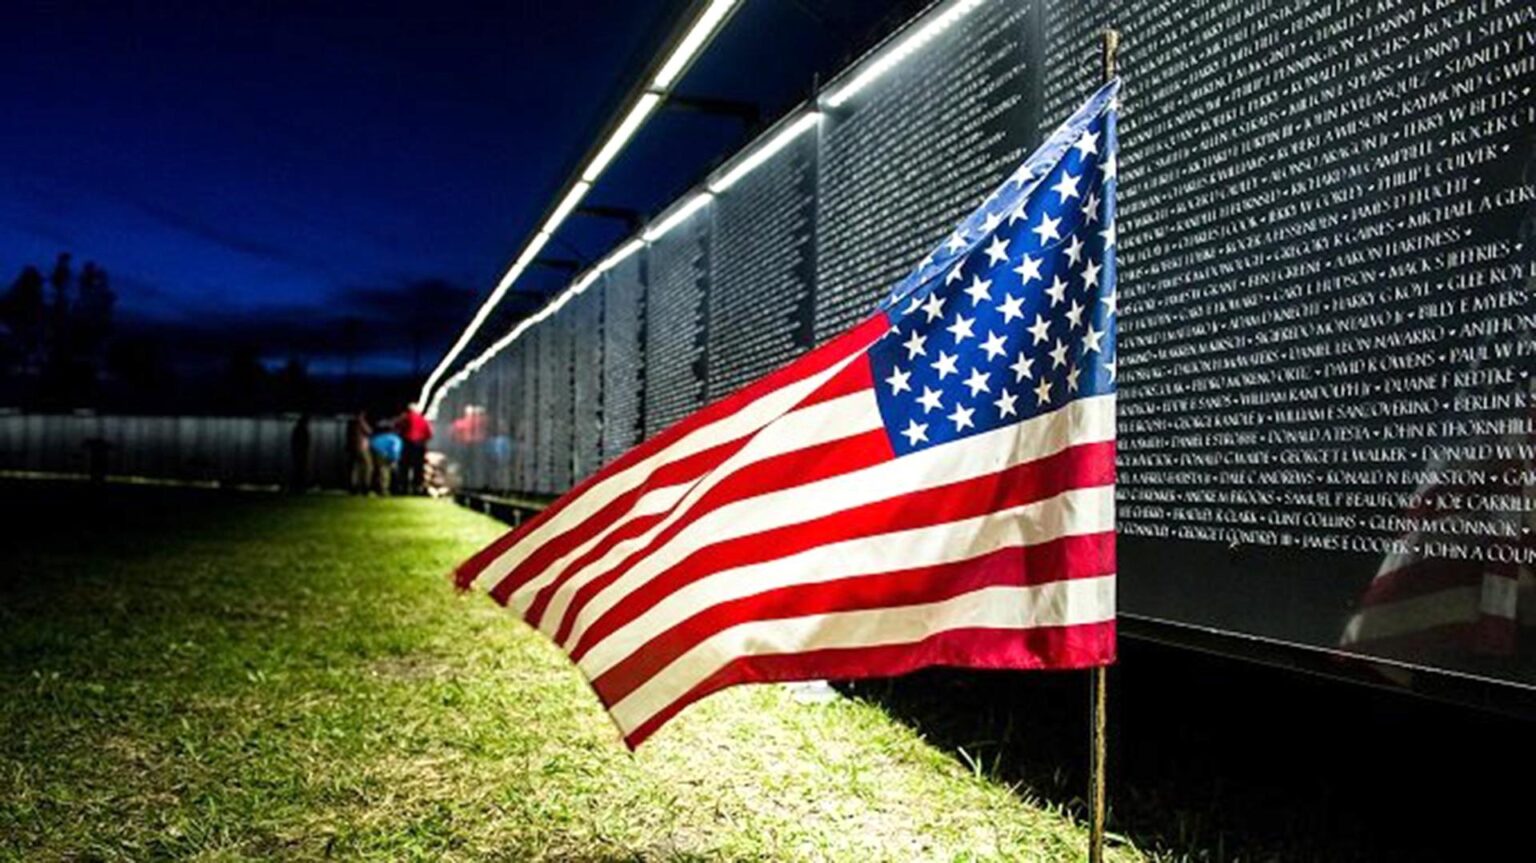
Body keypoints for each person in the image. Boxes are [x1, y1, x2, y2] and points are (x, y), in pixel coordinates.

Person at [395, 402, 433, 495]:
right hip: (419, 445)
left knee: (404, 467)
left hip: (408, 443)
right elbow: (429, 434)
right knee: (418, 468)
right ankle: (417, 488)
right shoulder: (423, 419)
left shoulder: (406, 417)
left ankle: (403, 488)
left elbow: (398, 427)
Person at [369, 424, 403, 496]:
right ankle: (384, 490)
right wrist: (394, 460)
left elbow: (373, 442)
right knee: (385, 471)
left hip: (374, 450)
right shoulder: (396, 439)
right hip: (382, 453)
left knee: (379, 470)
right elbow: (395, 450)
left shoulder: (385, 436)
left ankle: (376, 489)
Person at [346, 411, 373, 494]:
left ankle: (354, 487)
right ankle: (365, 486)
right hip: (362, 447)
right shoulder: (360, 421)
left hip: (353, 447)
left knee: (355, 467)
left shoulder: (351, 424)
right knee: (368, 466)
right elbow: (369, 431)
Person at [288, 414, 311, 493]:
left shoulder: (298, 430)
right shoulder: (302, 430)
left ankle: (296, 486)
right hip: (300, 454)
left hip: (298, 453)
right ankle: (299, 486)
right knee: (300, 470)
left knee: (298, 470)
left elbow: (294, 442)